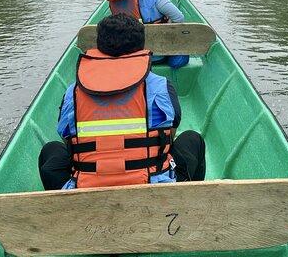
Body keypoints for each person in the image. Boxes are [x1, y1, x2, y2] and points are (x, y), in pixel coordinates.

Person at [38, 14, 206, 190]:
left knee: (51, 149)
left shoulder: (73, 91)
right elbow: (169, 135)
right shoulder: (161, 86)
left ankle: (63, 202)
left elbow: (68, 140)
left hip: (86, 190)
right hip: (152, 187)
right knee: (193, 139)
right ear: (141, 46)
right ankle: (189, 198)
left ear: (99, 47)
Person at [106, 0, 188, 69]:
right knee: (182, 55)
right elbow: (179, 18)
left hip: (128, 55)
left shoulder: (114, 0)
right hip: (157, 56)